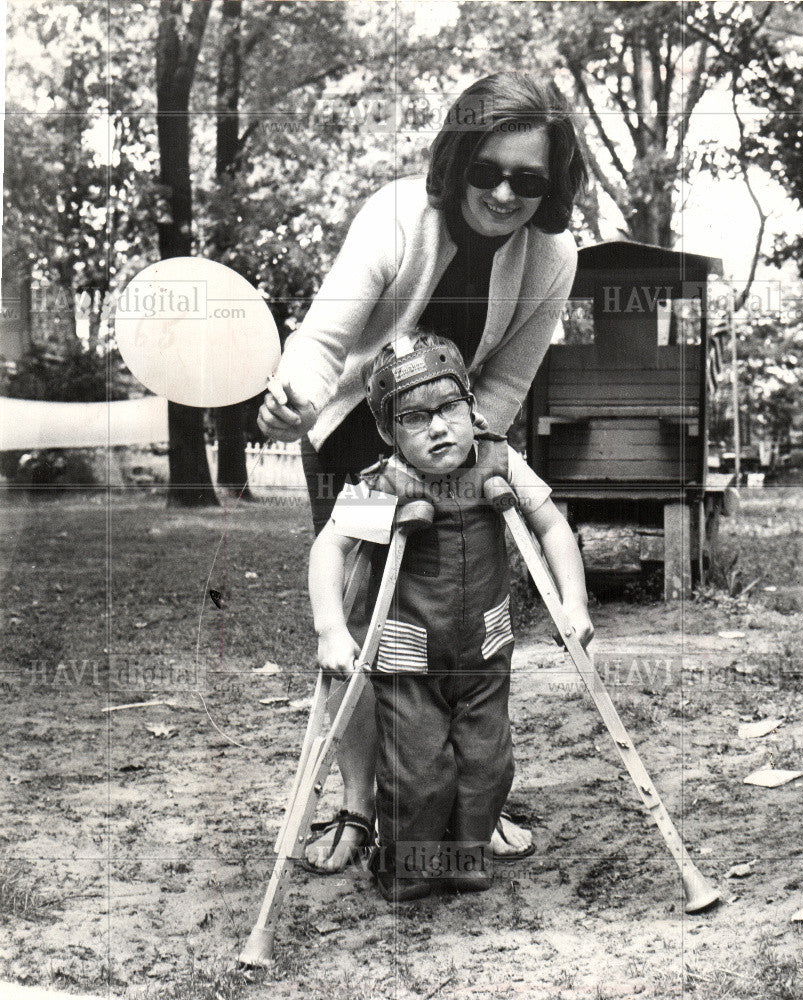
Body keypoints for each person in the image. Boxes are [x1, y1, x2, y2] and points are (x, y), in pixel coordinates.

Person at [258, 71, 588, 872]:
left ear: (551, 186)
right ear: (458, 158)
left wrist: (464, 466)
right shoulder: (398, 214)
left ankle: (470, 799)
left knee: (458, 622)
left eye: (528, 179)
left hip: (462, 446)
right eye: (488, 171)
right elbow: (324, 336)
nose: (505, 193)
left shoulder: (552, 257)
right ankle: (357, 807)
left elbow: (506, 381)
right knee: (370, 627)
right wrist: (292, 393)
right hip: (352, 435)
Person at [309, 333, 593, 901]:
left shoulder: (500, 461)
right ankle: (406, 864)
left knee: (488, 764)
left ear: (472, 407)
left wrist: (573, 602)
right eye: (415, 418)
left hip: (485, 651)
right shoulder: (387, 482)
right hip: (410, 655)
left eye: (448, 408)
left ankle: (465, 856)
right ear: (390, 434)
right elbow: (330, 548)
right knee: (416, 772)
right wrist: (332, 627)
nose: (438, 427)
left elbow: (552, 526)